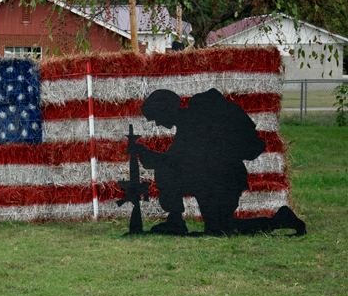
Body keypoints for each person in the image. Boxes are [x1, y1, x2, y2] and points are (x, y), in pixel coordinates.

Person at [128, 88, 305, 236]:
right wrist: (147, 154)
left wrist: (145, 153)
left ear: (165, 111)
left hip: (222, 182)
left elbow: (176, 158)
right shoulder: (190, 122)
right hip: (209, 181)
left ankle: (280, 220)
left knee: (221, 229)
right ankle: (175, 221)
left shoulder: (194, 122)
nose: (157, 123)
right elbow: (178, 160)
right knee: (168, 170)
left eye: (156, 117)